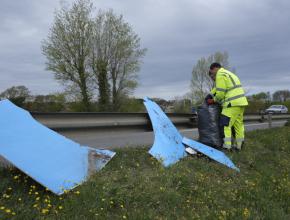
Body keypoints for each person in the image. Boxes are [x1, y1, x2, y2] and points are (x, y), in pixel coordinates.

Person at [205, 63, 248, 150]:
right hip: (241, 102)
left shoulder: (220, 74)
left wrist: (213, 100)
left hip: (231, 103)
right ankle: (239, 146)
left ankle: (227, 147)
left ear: (213, 69)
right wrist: (210, 94)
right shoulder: (229, 73)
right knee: (238, 126)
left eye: (212, 73)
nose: (213, 76)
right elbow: (219, 87)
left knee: (225, 125)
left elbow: (220, 93)